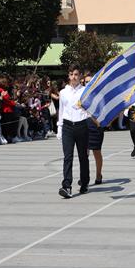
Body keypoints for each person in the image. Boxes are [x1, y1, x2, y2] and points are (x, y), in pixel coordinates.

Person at [57, 64, 90, 199]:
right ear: (68, 76)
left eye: (76, 74)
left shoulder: (85, 91)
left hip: (82, 125)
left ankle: (85, 182)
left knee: (83, 156)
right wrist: (59, 127)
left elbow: (89, 108)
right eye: (71, 74)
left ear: (80, 76)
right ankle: (67, 185)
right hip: (67, 126)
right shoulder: (63, 92)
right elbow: (61, 110)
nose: (73, 77)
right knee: (68, 156)